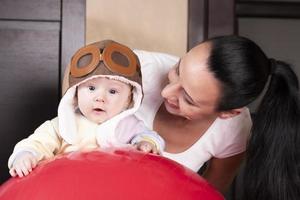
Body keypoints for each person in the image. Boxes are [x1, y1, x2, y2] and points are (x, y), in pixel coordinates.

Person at [133, 35, 300, 198]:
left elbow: (209, 194)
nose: (166, 92)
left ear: (228, 113)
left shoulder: (234, 130)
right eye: (177, 69)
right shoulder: (139, 68)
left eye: (188, 99)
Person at [8, 40, 165, 178]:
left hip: (115, 187)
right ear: (75, 93)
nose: (100, 98)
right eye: (91, 88)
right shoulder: (64, 124)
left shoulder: (128, 125)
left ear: (128, 100)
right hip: (70, 186)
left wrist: (146, 143)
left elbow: (149, 137)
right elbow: (37, 142)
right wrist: (25, 155)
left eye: (112, 91)